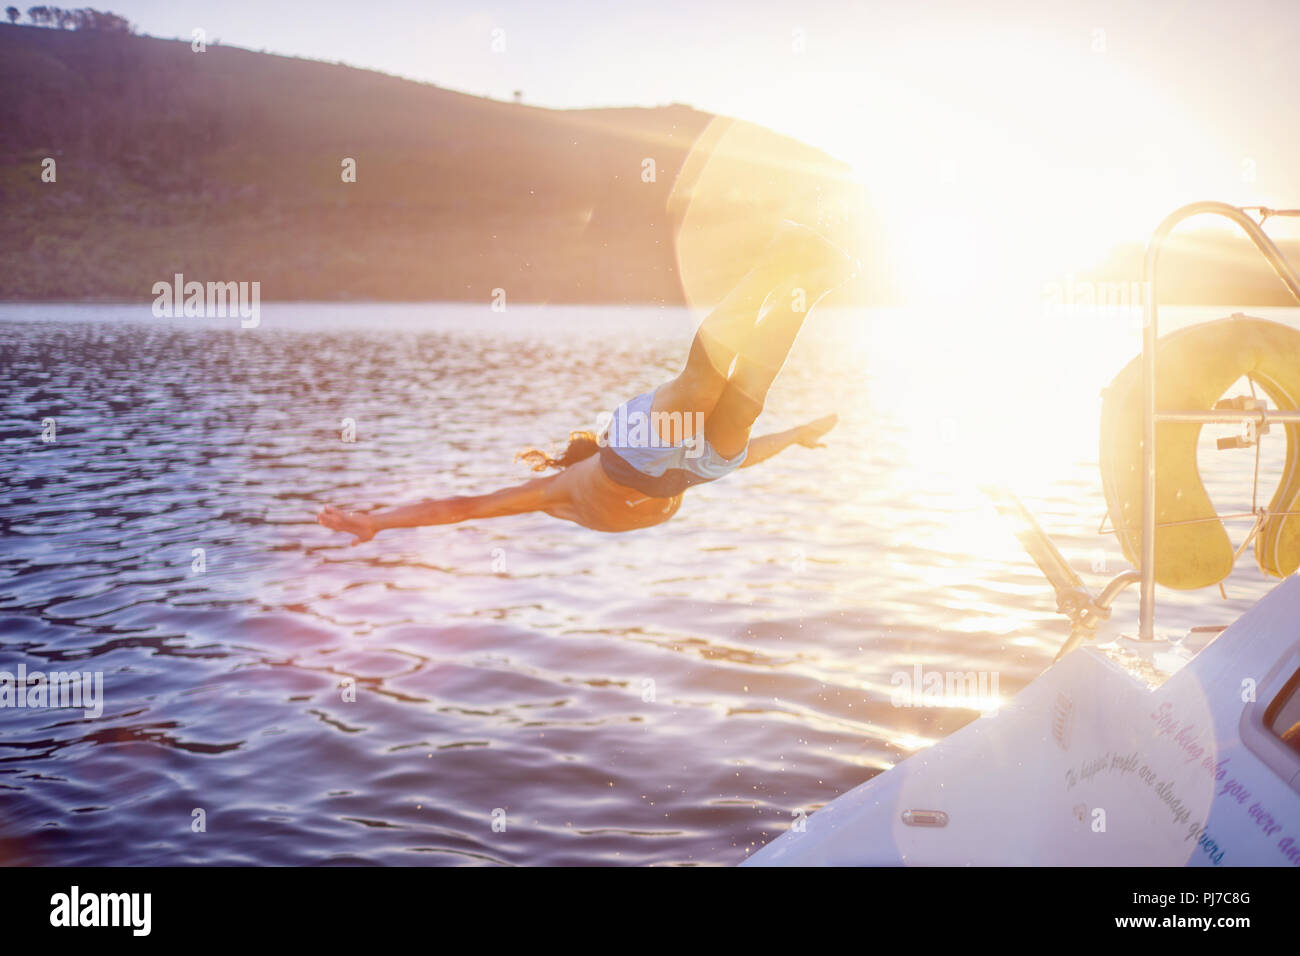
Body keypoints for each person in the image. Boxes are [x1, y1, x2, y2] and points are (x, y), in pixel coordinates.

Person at [317, 221, 859, 542]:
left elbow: (461, 506)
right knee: (747, 403)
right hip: (695, 472)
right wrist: (797, 435)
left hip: (641, 461)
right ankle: (809, 288)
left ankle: (778, 258)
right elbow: (753, 455)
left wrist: (378, 522)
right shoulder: (579, 485)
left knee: (701, 387)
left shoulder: (563, 491)